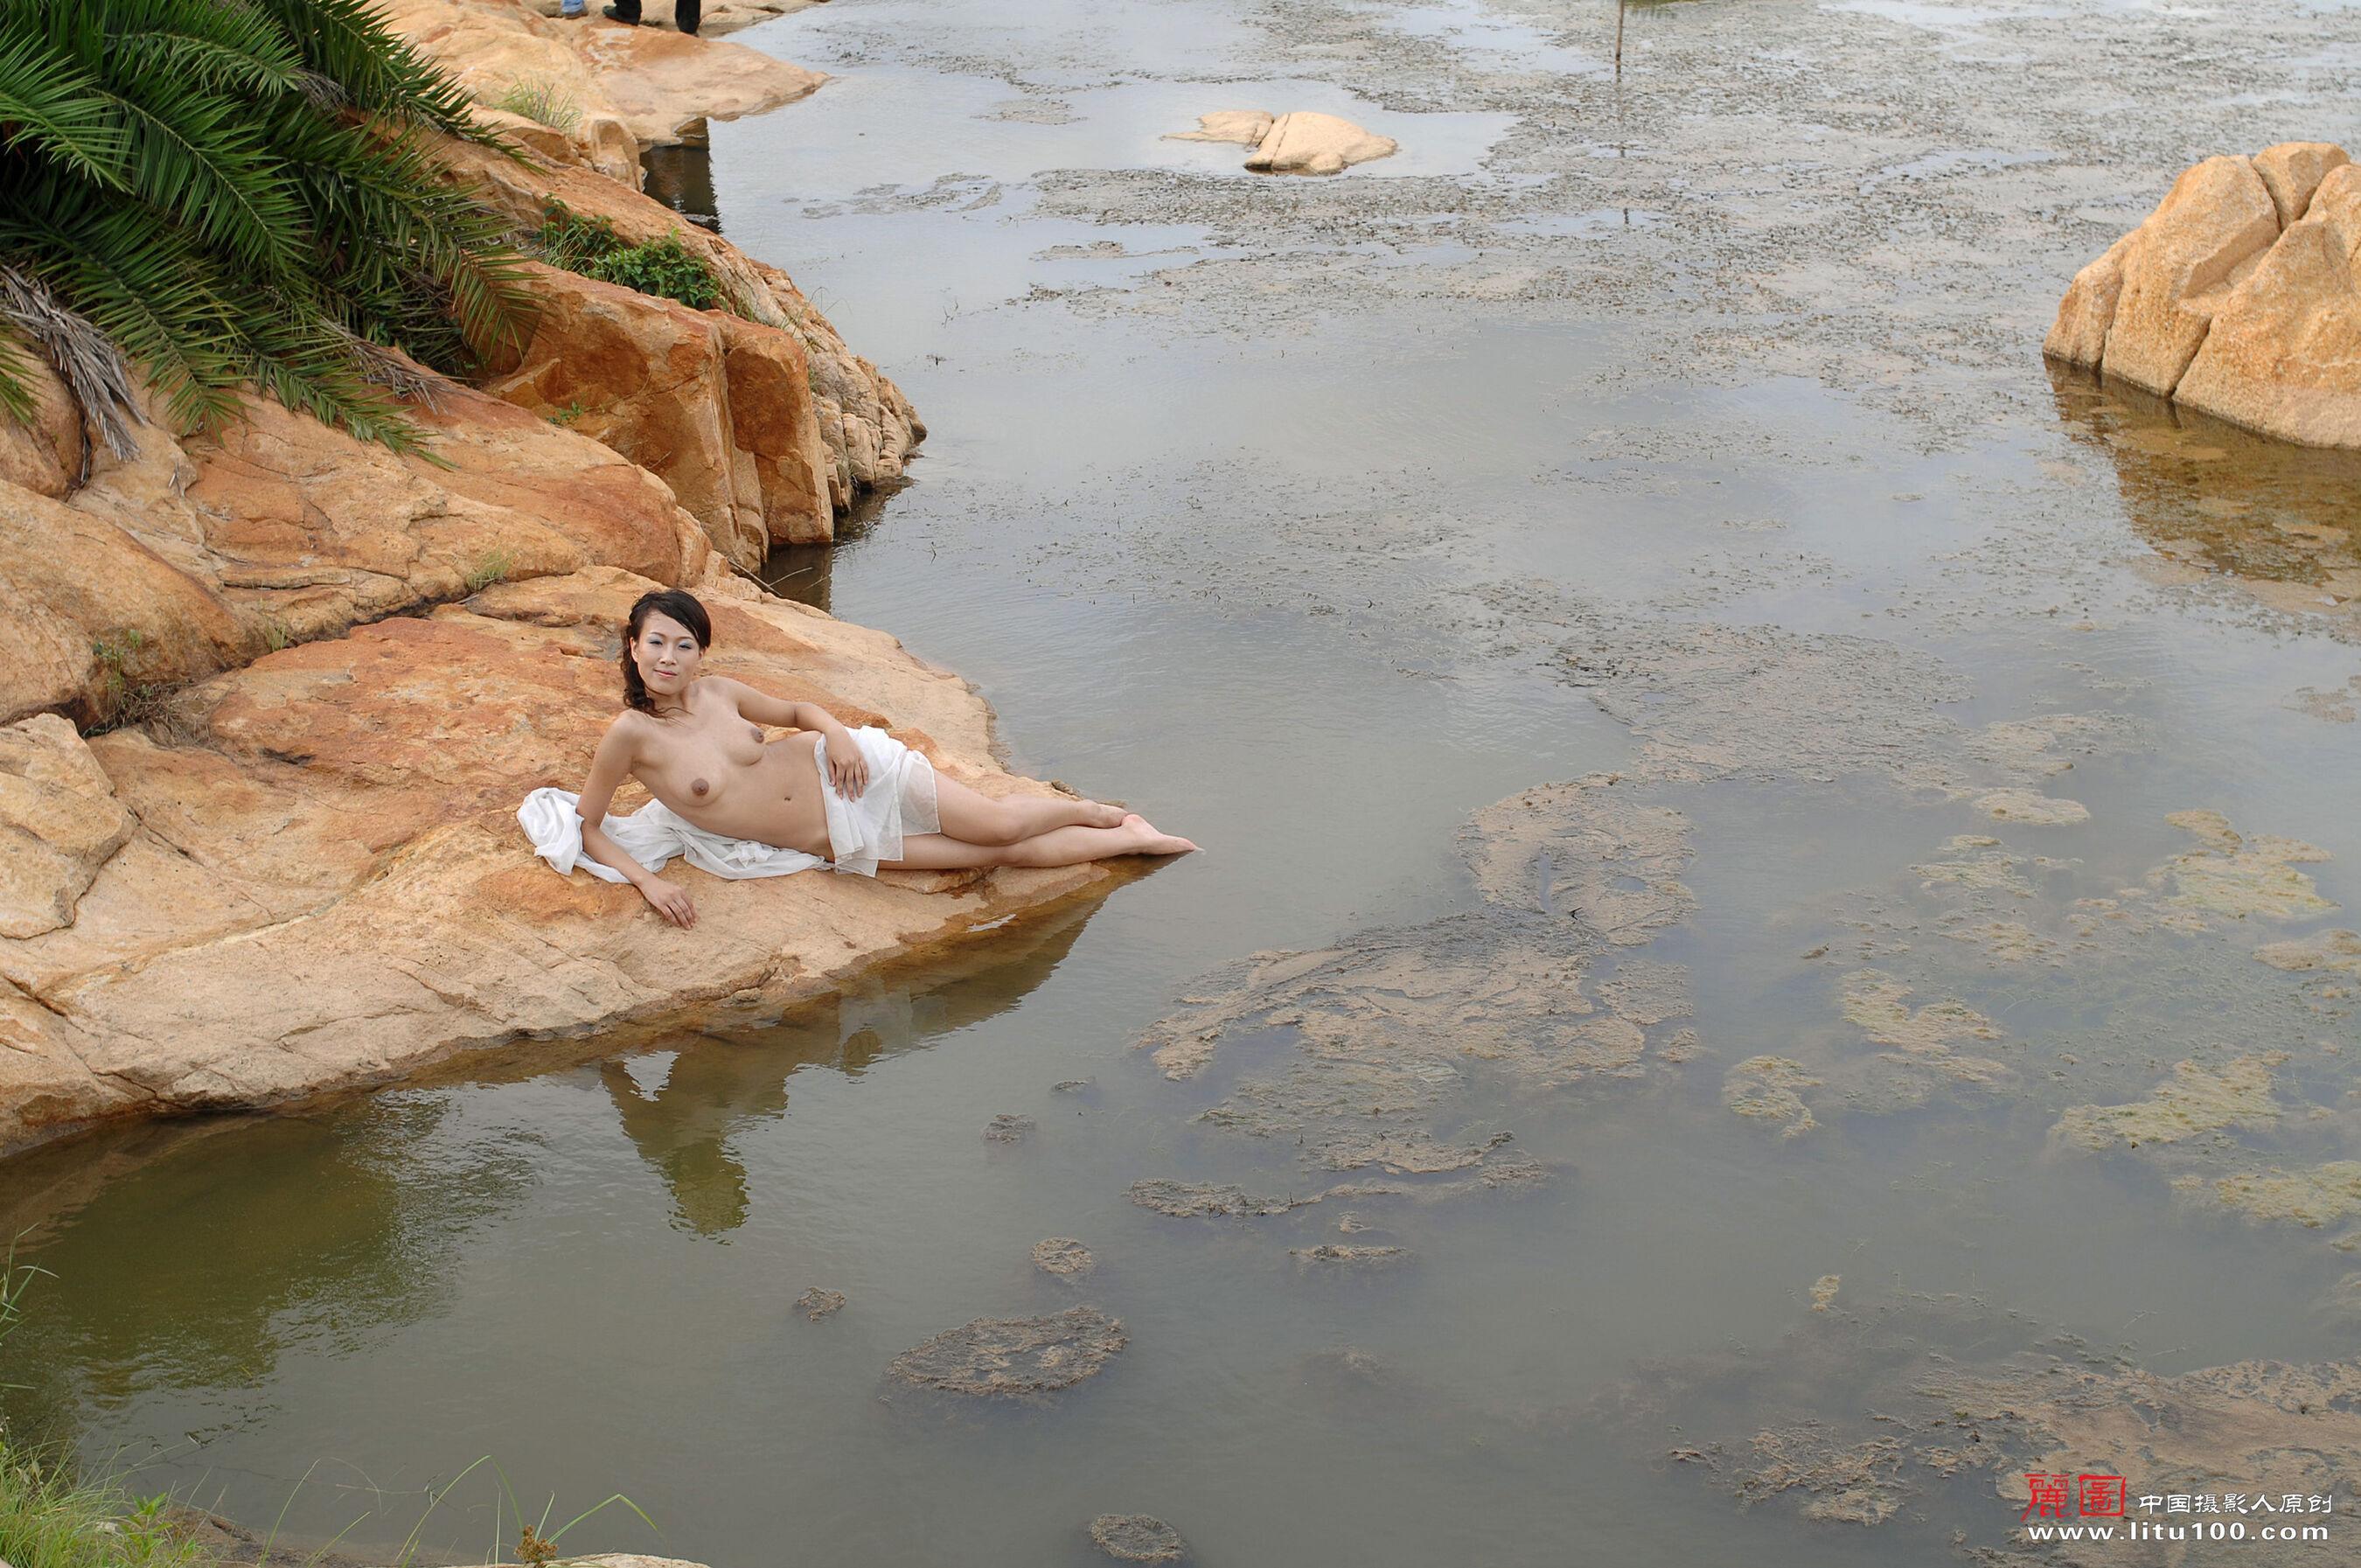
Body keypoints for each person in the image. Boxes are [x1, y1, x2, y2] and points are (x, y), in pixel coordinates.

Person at [539, 589, 1197, 928]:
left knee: (997, 825)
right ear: (632, 646)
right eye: (656, 643)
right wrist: (648, 882)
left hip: (855, 773)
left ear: (700, 653)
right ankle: (1131, 841)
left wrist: (839, 733)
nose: (669, 658)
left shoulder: (718, 692)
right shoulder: (631, 736)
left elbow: (799, 712)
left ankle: (1098, 812)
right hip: (838, 837)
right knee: (996, 854)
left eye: (684, 645)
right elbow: (588, 825)